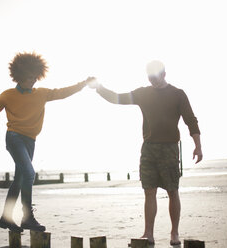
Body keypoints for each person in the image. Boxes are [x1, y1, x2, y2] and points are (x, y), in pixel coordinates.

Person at [0, 52, 95, 232]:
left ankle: (6, 217)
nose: (33, 81)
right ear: (19, 76)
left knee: (19, 180)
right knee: (29, 174)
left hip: (30, 141)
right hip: (14, 138)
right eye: (29, 77)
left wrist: (83, 84)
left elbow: (63, 92)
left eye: (35, 78)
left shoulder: (42, 93)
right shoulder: (7, 95)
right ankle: (27, 217)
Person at [89, 60, 202, 246]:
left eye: (156, 77)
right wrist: (99, 88)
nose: (153, 80)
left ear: (164, 74)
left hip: (170, 148)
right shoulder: (143, 93)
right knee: (149, 191)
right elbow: (117, 98)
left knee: (172, 191)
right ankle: (148, 233)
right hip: (149, 148)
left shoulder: (177, 94)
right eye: (150, 77)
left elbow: (191, 121)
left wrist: (198, 146)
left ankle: (174, 233)